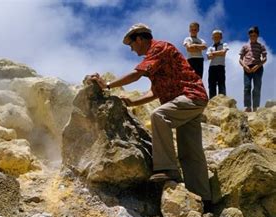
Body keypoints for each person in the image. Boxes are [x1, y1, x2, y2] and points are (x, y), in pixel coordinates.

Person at [91, 23, 211, 203]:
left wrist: (107, 85)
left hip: (190, 97)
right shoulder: (156, 59)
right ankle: (203, 199)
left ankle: (167, 168)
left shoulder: (159, 48)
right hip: (190, 101)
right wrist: (133, 102)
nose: (131, 49)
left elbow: (137, 74)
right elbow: (155, 92)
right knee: (190, 153)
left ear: (139, 39)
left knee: (159, 115)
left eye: (131, 44)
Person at [239, 26, 267, 112]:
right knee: (247, 87)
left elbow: (265, 58)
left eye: (254, 35)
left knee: (257, 87)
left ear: (257, 36)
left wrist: (258, 66)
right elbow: (240, 59)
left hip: (258, 68)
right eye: (251, 35)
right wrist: (244, 66)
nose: (252, 37)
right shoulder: (245, 46)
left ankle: (255, 107)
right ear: (249, 36)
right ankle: (248, 107)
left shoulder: (261, 46)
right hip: (247, 68)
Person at [206, 29, 229, 98]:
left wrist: (213, 53)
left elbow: (223, 53)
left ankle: (222, 101)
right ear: (212, 37)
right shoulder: (210, 47)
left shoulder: (224, 44)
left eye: (218, 36)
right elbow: (209, 57)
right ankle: (212, 102)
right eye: (214, 36)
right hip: (212, 67)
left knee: (221, 84)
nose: (216, 38)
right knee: (211, 85)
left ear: (221, 37)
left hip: (220, 67)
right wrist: (219, 53)